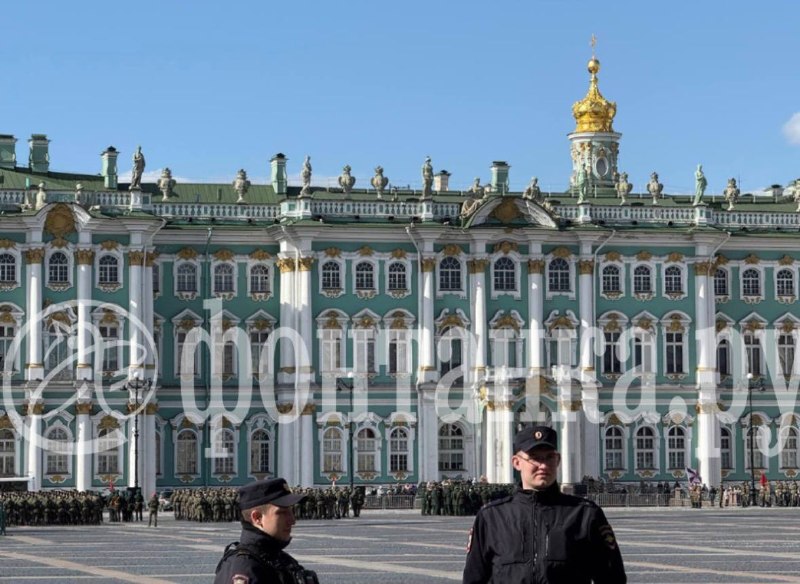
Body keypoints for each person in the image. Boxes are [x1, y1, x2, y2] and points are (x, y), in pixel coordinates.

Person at [463, 426, 626, 584]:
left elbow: (612, 577)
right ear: (517, 462)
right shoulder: (491, 517)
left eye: (549, 457)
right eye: (534, 457)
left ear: (558, 460)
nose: (543, 465)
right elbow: (474, 578)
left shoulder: (585, 515)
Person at [214, 477, 318, 584]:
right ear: (257, 518)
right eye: (282, 513)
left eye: (291, 511)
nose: (292, 520)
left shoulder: (277, 559)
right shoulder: (245, 570)